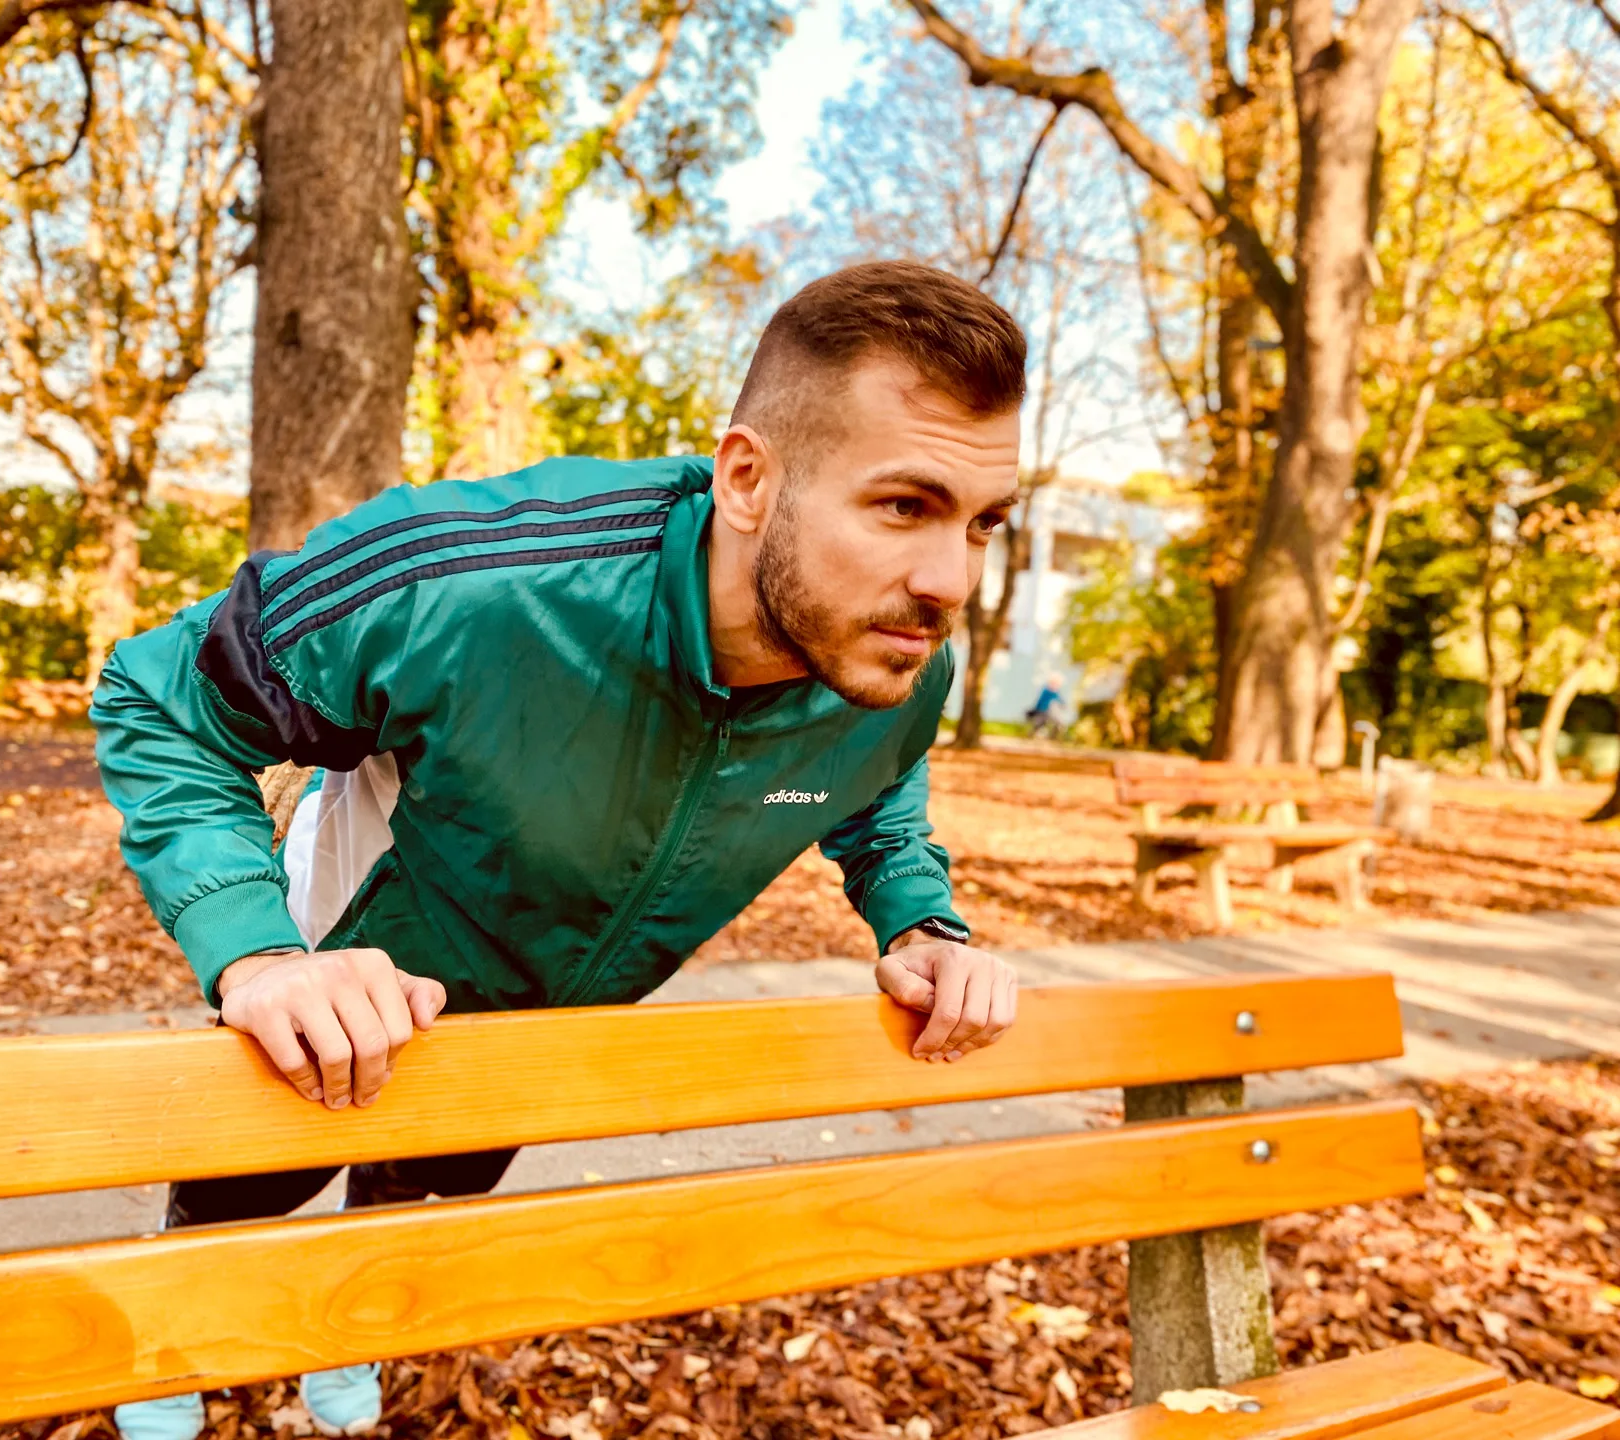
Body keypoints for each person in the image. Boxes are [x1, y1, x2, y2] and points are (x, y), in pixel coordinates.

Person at [90, 260, 1026, 1439]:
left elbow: (879, 785)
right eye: (904, 506)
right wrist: (261, 957)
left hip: (558, 1004)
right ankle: (181, 1320)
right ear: (747, 478)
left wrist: (918, 918)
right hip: (378, 933)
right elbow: (160, 696)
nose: (953, 582)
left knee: (430, 1182)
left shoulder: (893, 650)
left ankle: (351, 1319)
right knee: (278, 1139)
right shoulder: (471, 577)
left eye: (987, 522)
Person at [1027, 675, 1068, 739]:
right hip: (1042, 711)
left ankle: (1053, 736)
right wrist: (1036, 708)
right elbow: (1040, 701)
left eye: (1057, 684)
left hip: (1050, 712)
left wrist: (1063, 704)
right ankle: (1031, 735)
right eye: (1054, 683)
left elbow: (1059, 700)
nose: (1055, 686)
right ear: (1050, 683)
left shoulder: (1055, 692)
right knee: (1039, 724)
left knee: (1058, 723)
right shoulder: (1046, 691)